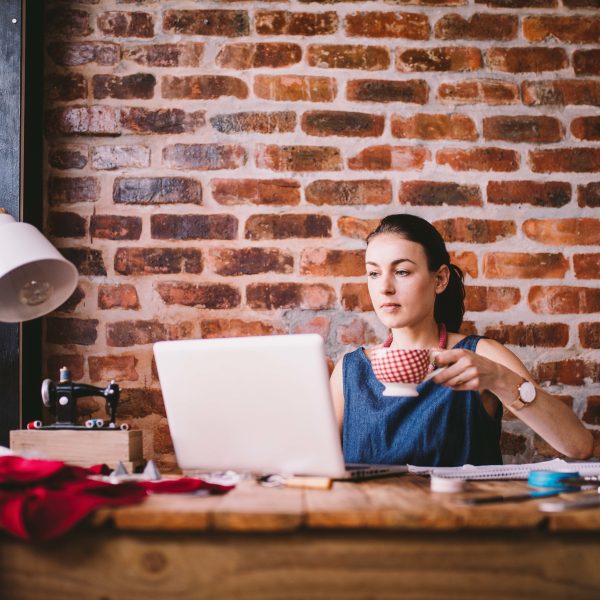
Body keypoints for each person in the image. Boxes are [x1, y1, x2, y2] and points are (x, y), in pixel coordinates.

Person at [330, 213, 593, 466]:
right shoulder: (349, 370)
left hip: (461, 512)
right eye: (374, 273)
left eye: (402, 272)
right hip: (365, 512)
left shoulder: (481, 354)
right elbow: (310, 464)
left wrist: (501, 379)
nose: (384, 287)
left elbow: (578, 445)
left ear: (440, 279)